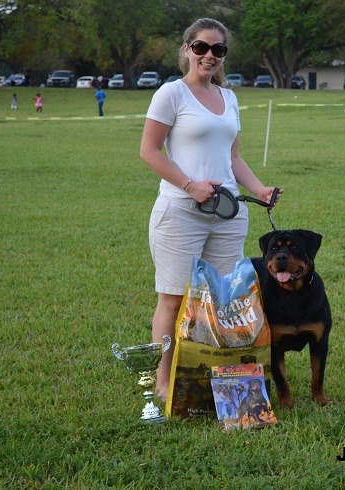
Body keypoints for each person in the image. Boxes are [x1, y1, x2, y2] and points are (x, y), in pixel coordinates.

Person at [139, 17, 282, 400]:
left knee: (224, 297)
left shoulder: (229, 98)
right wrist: (190, 185)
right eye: (201, 47)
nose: (209, 56)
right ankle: (163, 384)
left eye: (218, 49)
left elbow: (232, 157)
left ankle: (217, 379)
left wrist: (260, 189)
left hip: (227, 214)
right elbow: (149, 151)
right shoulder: (171, 94)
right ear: (187, 49)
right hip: (180, 212)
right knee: (172, 298)